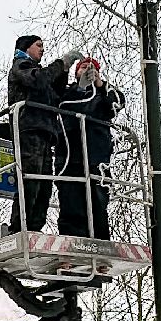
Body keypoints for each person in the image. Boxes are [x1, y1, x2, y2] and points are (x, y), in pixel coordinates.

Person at [7, 35, 82, 234]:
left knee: (44, 185)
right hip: (29, 129)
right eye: (38, 45)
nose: (42, 49)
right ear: (26, 48)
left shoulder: (37, 72)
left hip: (45, 132)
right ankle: (19, 227)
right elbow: (39, 80)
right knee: (30, 180)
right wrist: (60, 63)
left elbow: (55, 94)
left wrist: (64, 72)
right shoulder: (21, 66)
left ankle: (34, 226)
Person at [56, 57, 125, 239]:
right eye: (84, 67)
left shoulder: (103, 95)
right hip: (70, 157)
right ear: (76, 72)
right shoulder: (66, 92)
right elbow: (59, 103)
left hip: (97, 158)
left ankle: (101, 244)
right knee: (71, 203)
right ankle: (72, 243)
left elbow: (118, 103)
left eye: (92, 68)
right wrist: (80, 89)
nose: (88, 70)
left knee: (98, 204)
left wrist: (100, 84)